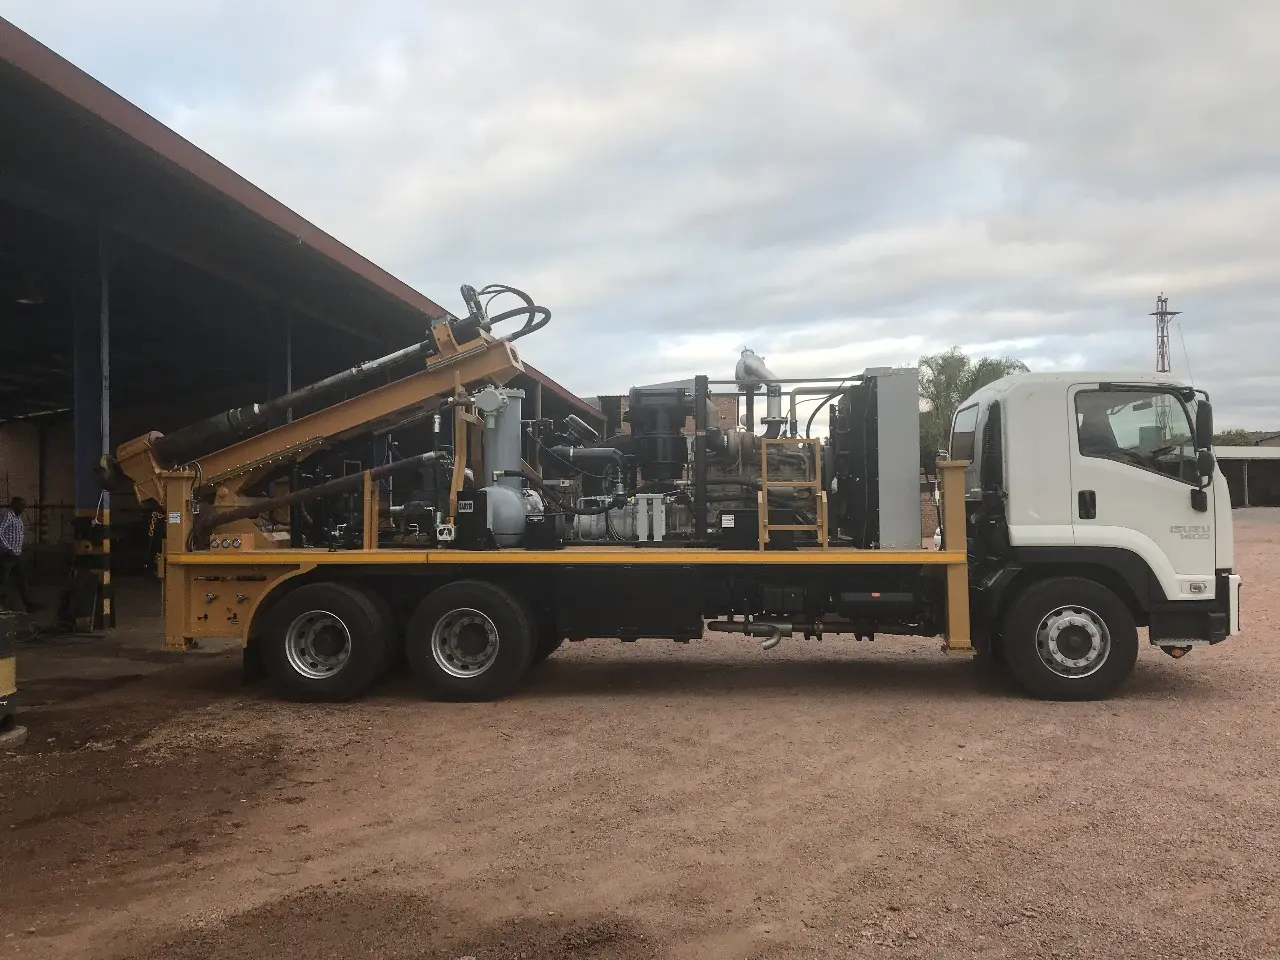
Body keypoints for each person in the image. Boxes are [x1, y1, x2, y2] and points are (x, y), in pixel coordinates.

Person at [0, 497, 41, 613]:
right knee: (2, 578)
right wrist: (7, 548)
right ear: (14, 505)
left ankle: (29, 604)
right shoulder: (6, 515)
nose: (24, 508)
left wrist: (19, 549)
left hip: (17, 554)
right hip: (7, 554)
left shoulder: (17, 518)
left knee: (22, 580)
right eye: (22, 505)